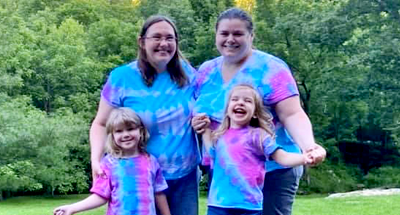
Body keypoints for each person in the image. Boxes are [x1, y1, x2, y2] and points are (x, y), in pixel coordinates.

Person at [192, 8, 326, 215]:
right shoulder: (205, 71)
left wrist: (309, 148)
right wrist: (198, 124)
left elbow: (291, 114)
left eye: (238, 34)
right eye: (224, 33)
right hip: (226, 174)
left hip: (273, 170)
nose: (230, 39)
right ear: (216, 36)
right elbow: (200, 115)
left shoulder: (271, 68)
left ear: (251, 36)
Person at [90, 16, 200, 215]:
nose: (164, 43)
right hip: (139, 178)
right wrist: (95, 161)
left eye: (170, 38)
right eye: (156, 37)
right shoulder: (122, 78)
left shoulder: (190, 75)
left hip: (185, 177)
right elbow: (100, 123)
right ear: (142, 42)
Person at [201, 84, 314, 215]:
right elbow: (212, 154)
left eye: (247, 101)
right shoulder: (220, 135)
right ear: (226, 110)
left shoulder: (259, 135)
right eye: (235, 99)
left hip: (249, 206)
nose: (241, 103)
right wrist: (205, 130)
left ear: (255, 113)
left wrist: (304, 157)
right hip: (218, 205)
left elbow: (282, 157)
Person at [54, 108, 170, 215]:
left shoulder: (150, 161)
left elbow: (158, 193)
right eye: (119, 131)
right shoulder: (108, 164)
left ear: (140, 131)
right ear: (112, 135)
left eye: (130, 129)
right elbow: (100, 196)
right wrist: (72, 208)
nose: (126, 134)